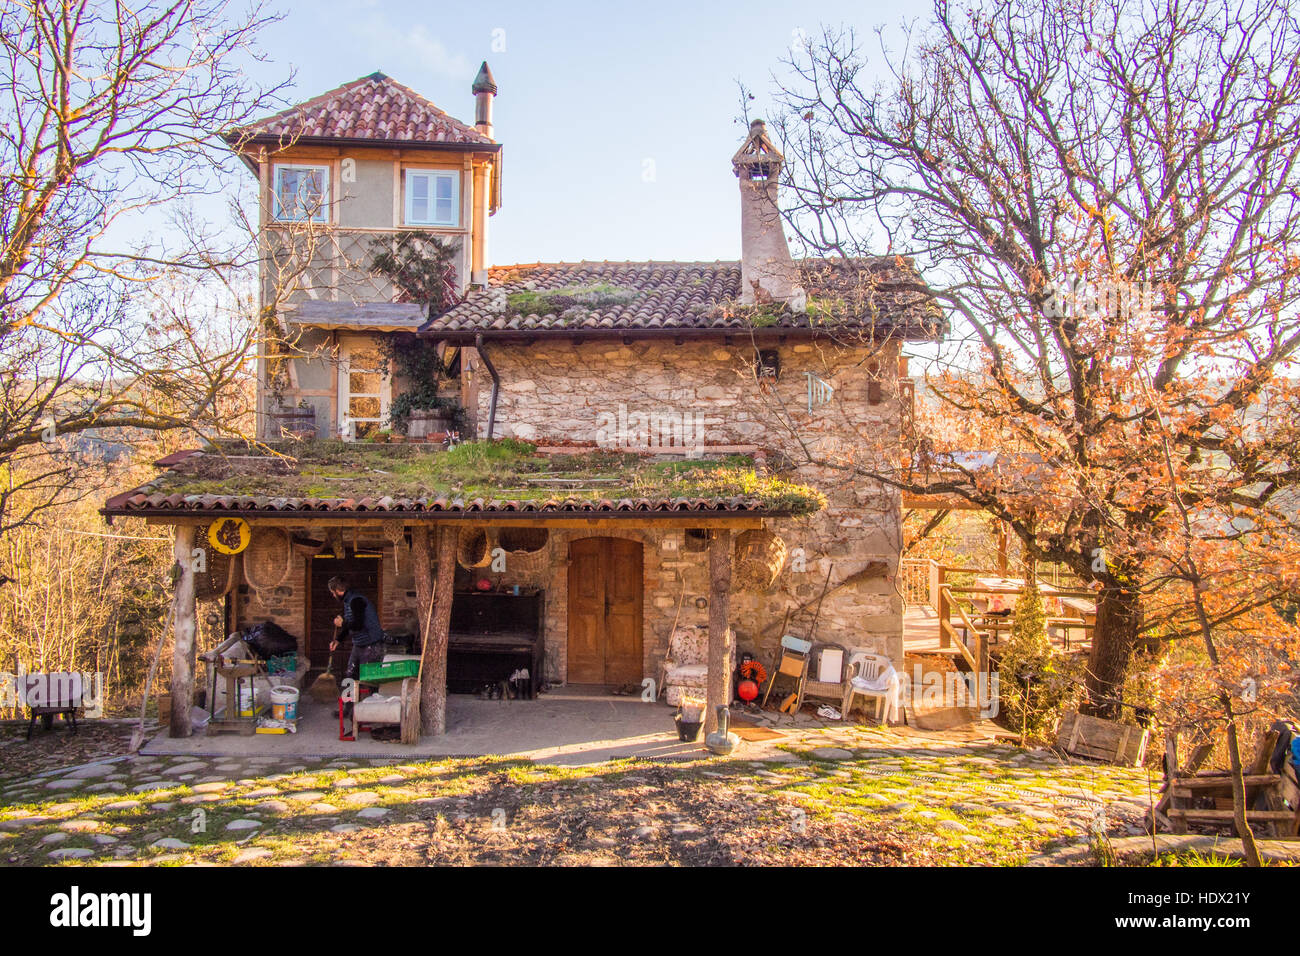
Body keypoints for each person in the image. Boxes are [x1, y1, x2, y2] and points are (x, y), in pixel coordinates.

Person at [327, 576, 387, 681]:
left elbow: (358, 625)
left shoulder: (356, 601)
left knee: (368, 679)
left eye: (333, 593)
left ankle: (367, 697)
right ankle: (351, 697)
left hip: (371, 645)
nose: (333, 595)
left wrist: (342, 623)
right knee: (350, 676)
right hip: (359, 644)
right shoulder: (348, 601)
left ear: (337, 591)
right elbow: (350, 624)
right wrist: (338, 640)